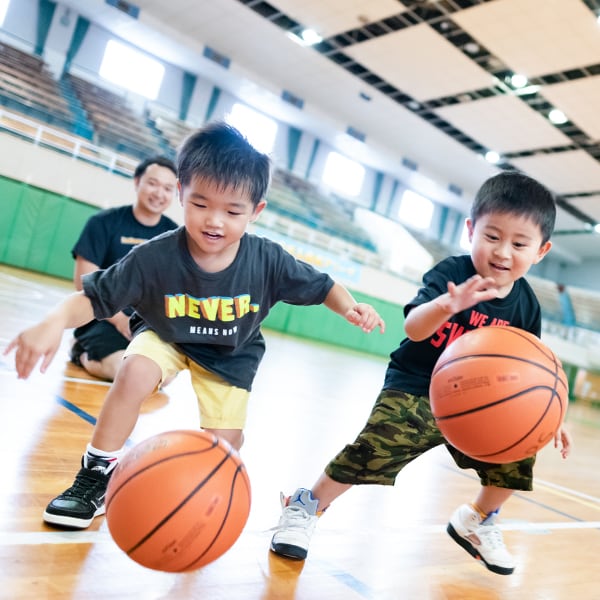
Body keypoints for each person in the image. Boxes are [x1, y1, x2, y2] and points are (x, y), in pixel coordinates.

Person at [5, 121, 385, 529]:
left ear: (256, 211)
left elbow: (324, 285)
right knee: (133, 372)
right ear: (182, 195)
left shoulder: (268, 259)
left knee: (223, 448)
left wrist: (350, 307)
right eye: (201, 205)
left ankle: (215, 475)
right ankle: (95, 475)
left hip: (230, 356)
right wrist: (54, 321)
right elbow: (92, 296)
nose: (214, 221)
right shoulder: (155, 256)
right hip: (165, 336)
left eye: (233, 211)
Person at [270, 171, 573, 576]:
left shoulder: (527, 307)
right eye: (492, 236)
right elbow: (413, 327)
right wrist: (449, 305)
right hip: (418, 386)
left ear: (541, 251)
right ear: (471, 231)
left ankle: (477, 520)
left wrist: (551, 415)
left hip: (482, 401)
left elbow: (532, 370)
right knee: (372, 449)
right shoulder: (451, 272)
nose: (503, 251)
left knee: (517, 456)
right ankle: (306, 506)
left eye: (519, 243)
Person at [70, 155, 178, 381]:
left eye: (168, 188)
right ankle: (82, 351)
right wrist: (119, 320)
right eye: (152, 183)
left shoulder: (175, 236)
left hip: (145, 325)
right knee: (124, 372)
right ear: (137, 181)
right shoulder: (102, 223)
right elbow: (83, 282)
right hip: (101, 318)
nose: (159, 193)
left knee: (163, 378)